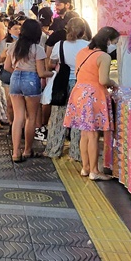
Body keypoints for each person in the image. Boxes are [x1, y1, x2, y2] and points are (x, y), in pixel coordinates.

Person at [64, 26, 120, 181]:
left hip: (79, 92)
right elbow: (103, 80)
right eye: (115, 42)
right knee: (94, 134)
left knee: (85, 133)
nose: (114, 45)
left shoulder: (82, 52)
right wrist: (113, 82)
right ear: (108, 41)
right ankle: (95, 171)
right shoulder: (104, 56)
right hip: (94, 95)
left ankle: (85, 167)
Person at [5, 18, 50, 162]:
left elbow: (6, 67)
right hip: (31, 80)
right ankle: (27, 150)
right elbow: (42, 73)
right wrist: (53, 74)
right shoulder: (38, 49)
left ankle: (15, 153)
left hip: (15, 78)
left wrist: (18, 73)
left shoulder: (13, 46)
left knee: (18, 118)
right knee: (30, 117)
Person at [44, 18, 90, 159]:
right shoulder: (88, 45)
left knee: (58, 117)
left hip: (62, 84)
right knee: (78, 119)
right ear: (83, 31)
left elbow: (52, 63)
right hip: (81, 84)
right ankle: (77, 153)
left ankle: (53, 150)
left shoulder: (60, 45)